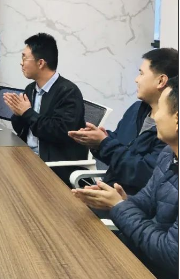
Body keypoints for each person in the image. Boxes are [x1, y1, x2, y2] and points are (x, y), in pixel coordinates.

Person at [72, 76, 178, 279]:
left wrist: (119, 206)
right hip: (139, 253)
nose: (155, 116)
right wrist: (120, 200)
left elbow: (172, 254)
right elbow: (146, 200)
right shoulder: (168, 154)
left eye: (161, 108)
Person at [69, 48, 178, 195]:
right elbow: (119, 142)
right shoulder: (136, 109)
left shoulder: (170, 130)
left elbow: (144, 174)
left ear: (161, 81)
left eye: (141, 73)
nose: (136, 79)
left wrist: (104, 143)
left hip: (131, 199)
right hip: (109, 188)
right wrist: (99, 140)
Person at [4, 33, 86, 183]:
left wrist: (27, 113)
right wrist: (18, 114)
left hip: (53, 165)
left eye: (24, 58)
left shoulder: (68, 92)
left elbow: (60, 132)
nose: (21, 63)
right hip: (27, 156)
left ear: (40, 63)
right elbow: (22, 130)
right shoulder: (31, 89)